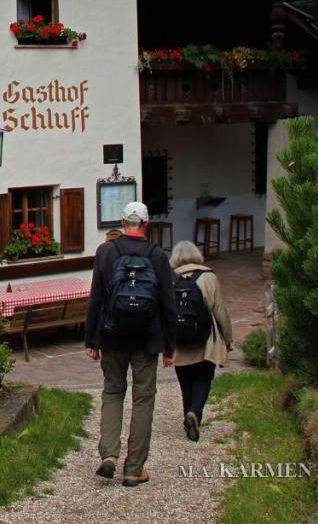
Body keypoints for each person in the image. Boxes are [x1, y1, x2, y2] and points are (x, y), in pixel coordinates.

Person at [84, 201, 177, 487]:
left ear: (123, 222)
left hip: (112, 335)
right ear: (146, 225)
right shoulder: (158, 256)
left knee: (113, 392)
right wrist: (170, 346)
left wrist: (92, 339)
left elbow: (96, 298)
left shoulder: (105, 252)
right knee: (143, 398)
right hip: (146, 338)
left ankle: (109, 454)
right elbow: (168, 305)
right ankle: (134, 468)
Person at [169, 240, 235, 442]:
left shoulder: (170, 278)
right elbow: (219, 310)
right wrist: (228, 337)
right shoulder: (208, 277)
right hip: (206, 337)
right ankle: (195, 413)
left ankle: (187, 414)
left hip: (179, 337)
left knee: (185, 380)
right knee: (204, 376)